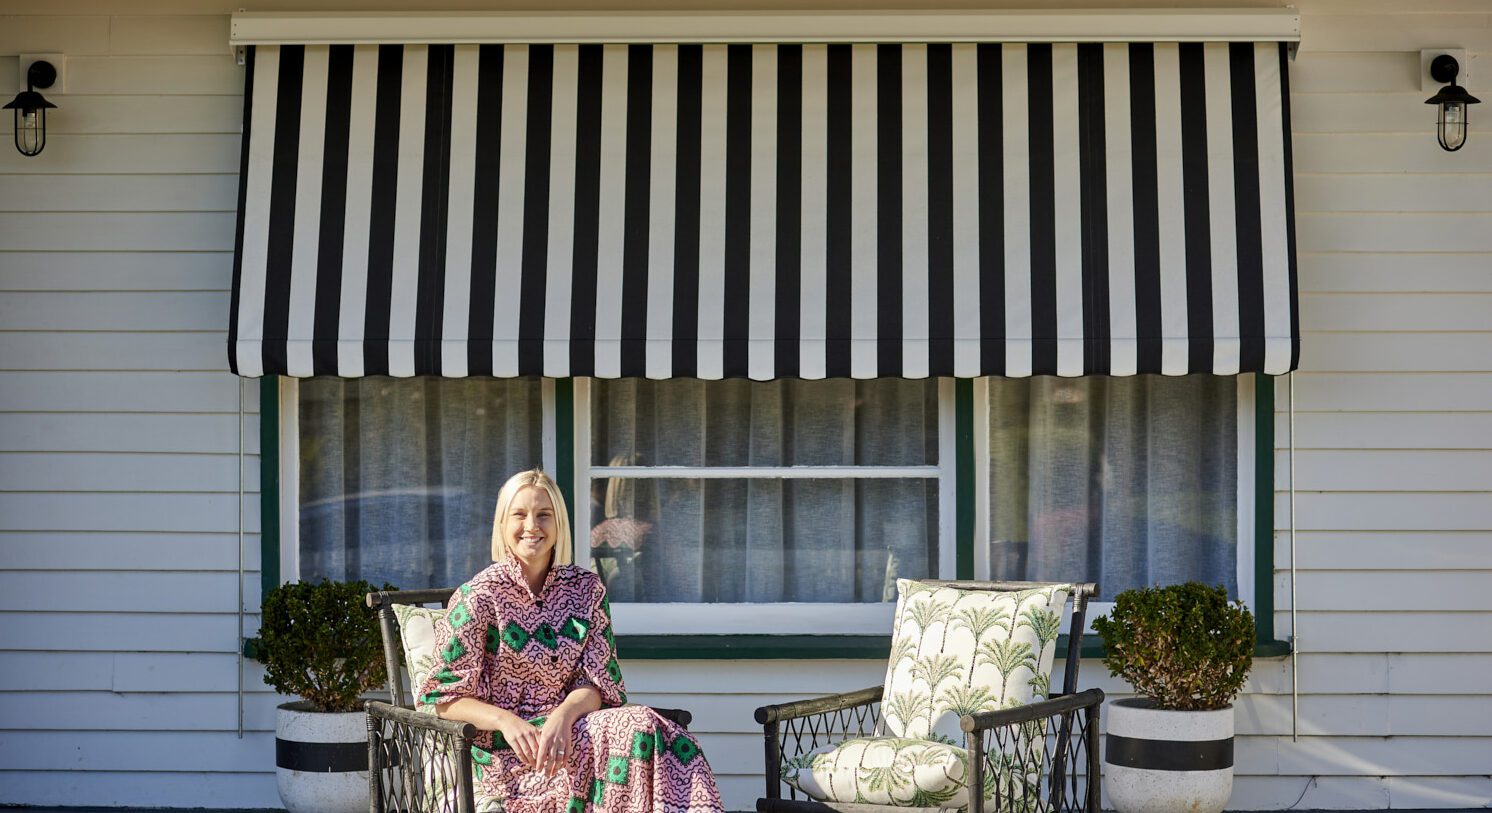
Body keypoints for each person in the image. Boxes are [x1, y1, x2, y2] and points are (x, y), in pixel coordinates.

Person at [417, 468, 724, 813]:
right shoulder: (477, 597)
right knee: (641, 728)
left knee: (645, 727)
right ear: (502, 524)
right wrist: (507, 720)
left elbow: (598, 684)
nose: (532, 526)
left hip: (573, 735)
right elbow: (442, 700)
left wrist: (563, 716)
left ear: (559, 523)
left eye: (543, 515)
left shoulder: (586, 589)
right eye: (519, 514)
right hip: (505, 752)